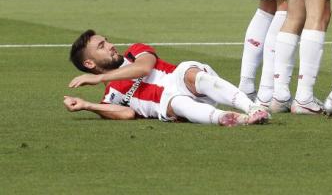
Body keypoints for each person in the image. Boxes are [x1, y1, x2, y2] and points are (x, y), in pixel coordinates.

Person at [64, 30, 269, 126]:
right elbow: (126, 114)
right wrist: (87, 105)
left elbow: (144, 69)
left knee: (188, 69)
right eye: (101, 46)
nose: (110, 46)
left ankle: (252, 108)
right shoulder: (111, 96)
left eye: (106, 41)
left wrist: (100, 79)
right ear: (89, 64)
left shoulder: (135, 52)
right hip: (170, 105)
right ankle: (232, 119)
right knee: (175, 102)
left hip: (182, 81)